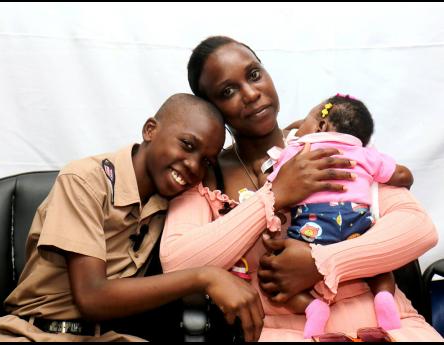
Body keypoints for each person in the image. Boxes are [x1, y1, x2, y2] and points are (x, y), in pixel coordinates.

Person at [160, 36, 443, 341]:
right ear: (212, 109)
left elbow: (417, 229)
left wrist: (321, 263)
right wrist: (275, 194)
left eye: (254, 75)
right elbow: (178, 263)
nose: (252, 94)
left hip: (390, 323)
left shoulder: (328, 142)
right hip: (283, 331)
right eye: (227, 91)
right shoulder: (206, 175)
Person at [0, 93, 266, 342]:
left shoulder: (170, 200)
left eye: (206, 161)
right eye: (187, 145)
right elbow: (92, 297)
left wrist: (293, 137)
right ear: (150, 130)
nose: (193, 166)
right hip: (35, 334)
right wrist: (205, 277)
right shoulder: (85, 180)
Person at [265, 93, 413, 338]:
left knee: (277, 272)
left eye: (307, 119)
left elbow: (275, 183)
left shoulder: (301, 150)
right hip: (358, 226)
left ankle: (312, 307)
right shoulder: (366, 154)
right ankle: (384, 296)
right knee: (379, 270)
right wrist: (405, 178)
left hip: (314, 228)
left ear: (321, 125)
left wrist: (290, 138)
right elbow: (401, 175)